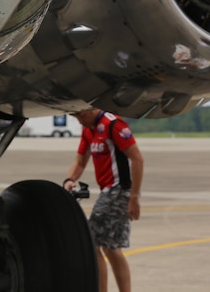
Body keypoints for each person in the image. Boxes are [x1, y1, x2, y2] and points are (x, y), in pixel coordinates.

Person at [63, 108, 144, 292]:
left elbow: (137, 159)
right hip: (108, 191)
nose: (79, 120)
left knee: (92, 243)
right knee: (111, 247)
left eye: (81, 115)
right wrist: (70, 180)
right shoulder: (88, 128)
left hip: (118, 190)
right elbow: (81, 161)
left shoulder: (113, 125)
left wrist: (134, 197)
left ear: (93, 109)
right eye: (75, 117)